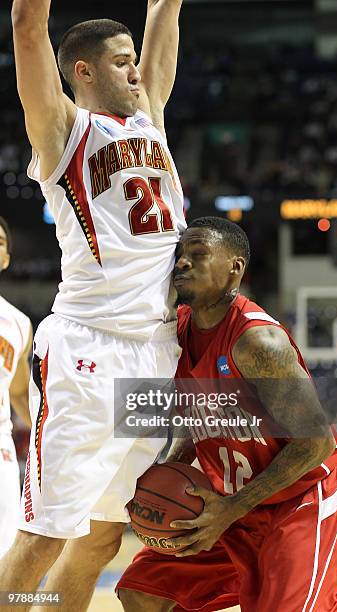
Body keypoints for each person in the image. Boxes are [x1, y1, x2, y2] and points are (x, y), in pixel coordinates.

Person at [1, 1, 185, 610]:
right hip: (89, 346)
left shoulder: (150, 119)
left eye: (136, 62)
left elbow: (165, 13)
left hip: (156, 351)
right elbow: (28, 25)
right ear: (82, 71)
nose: (136, 72)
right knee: (44, 538)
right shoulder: (63, 132)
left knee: (104, 536)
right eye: (120, 62)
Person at [117, 217, 337, 612]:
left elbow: (316, 444)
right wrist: (171, 470)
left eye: (197, 255)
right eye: (180, 256)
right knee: (143, 590)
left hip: (304, 496)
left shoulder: (257, 342)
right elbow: (200, 419)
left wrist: (231, 509)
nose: (182, 264)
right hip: (234, 501)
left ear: (235, 268)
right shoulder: (174, 335)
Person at [0, 216, 32, 558]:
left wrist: (46, 439)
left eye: (0, 242)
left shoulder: (19, 323)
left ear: (6, 258)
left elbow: (20, 393)